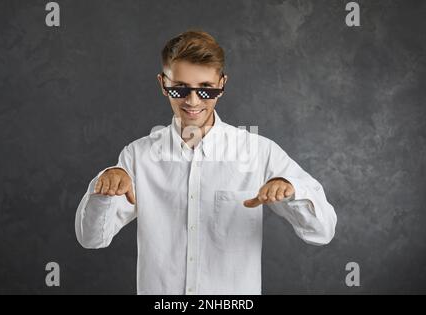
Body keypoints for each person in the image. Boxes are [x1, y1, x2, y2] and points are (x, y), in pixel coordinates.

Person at [75, 30, 337, 295]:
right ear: (162, 83)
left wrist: (290, 189)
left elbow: (321, 232)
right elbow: (92, 239)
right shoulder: (137, 156)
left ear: (222, 84)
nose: (192, 101)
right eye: (179, 88)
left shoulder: (259, 151)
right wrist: (104, 188)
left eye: (206, 89)